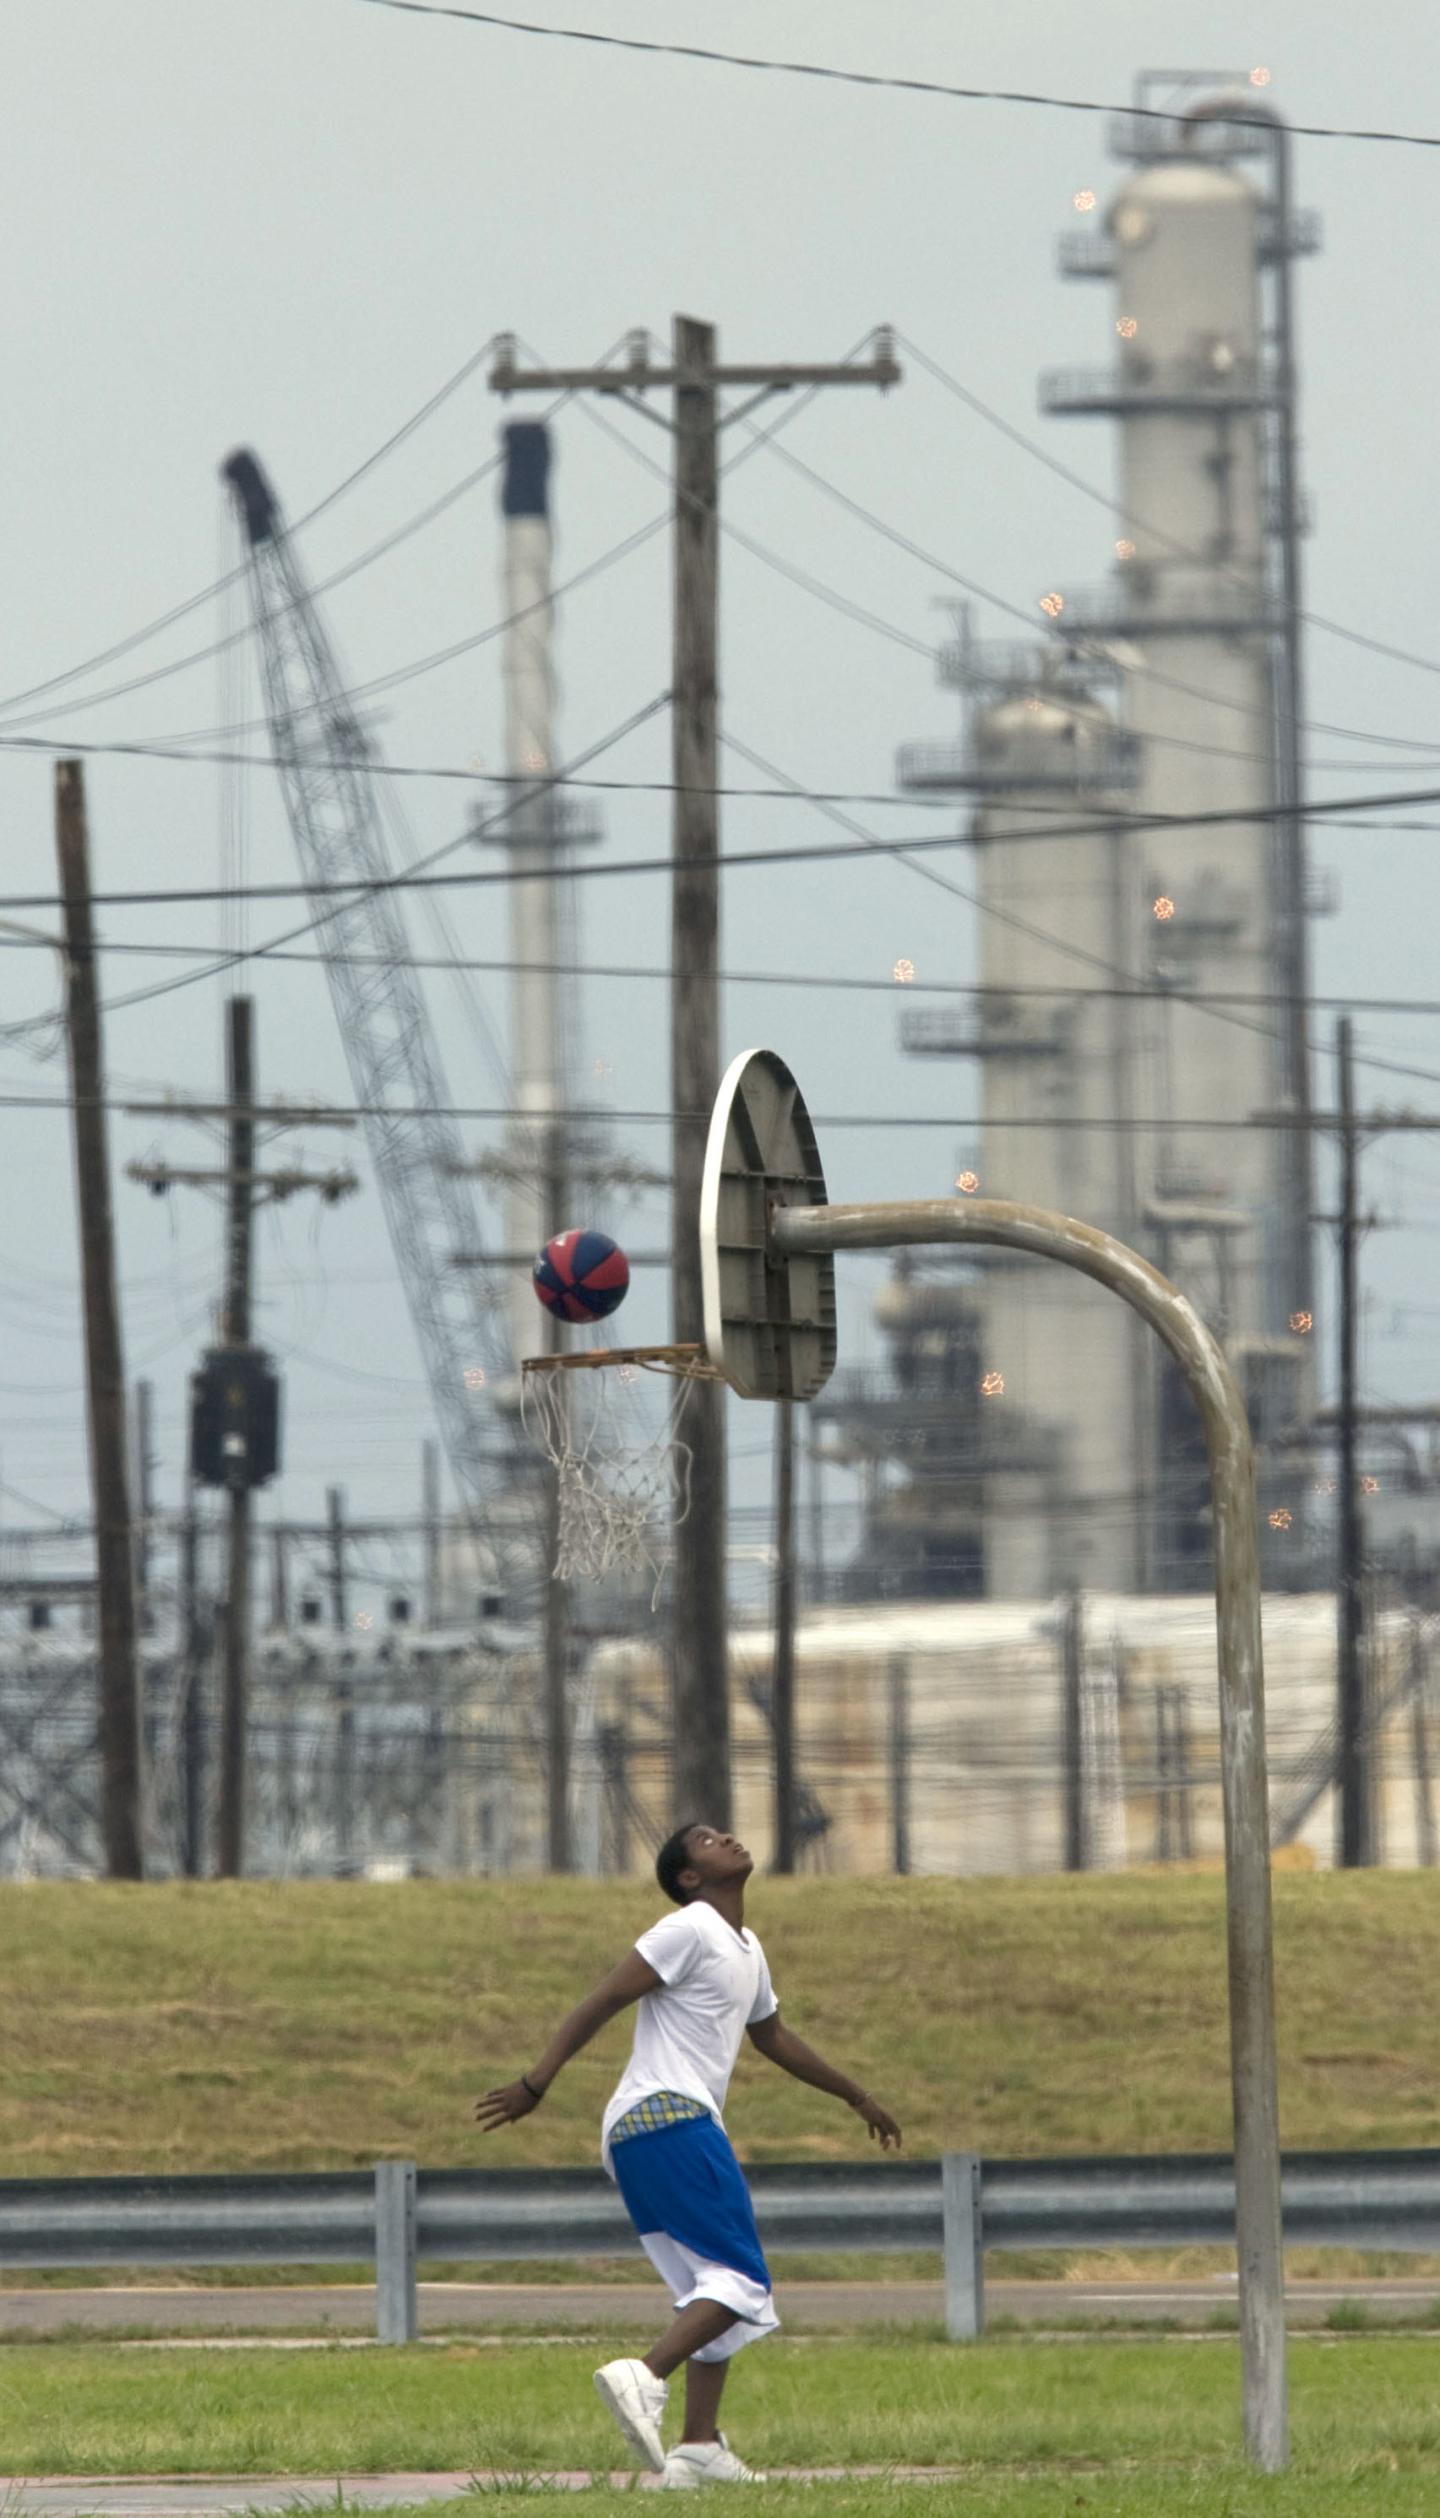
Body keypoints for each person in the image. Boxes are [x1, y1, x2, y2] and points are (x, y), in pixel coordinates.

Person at [475, 1819, 902, 2488]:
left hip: (652, 2130)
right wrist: (537, 2081)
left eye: (722, 1833)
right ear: (689, 1878)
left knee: (709, 2290)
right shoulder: (689, 1926)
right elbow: (607, 1997)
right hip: (669, 2118)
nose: (726, 1838)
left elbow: (774, 2037)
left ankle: (698, 2447)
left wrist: (856, 2096)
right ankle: (642, 2376)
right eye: (706, 1841)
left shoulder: (745, 1946)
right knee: (743, 2281)